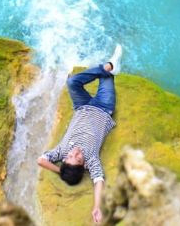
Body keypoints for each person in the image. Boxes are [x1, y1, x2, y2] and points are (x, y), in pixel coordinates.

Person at [37, 45, 123, 224]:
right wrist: (96, 207)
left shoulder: (61, 152)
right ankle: (108, 67)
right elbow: (98, 181)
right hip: (104, 107)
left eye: (70, 155)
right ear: (84, 165)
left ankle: (107, 66)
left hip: (81, 105)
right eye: (77, 157)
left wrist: (60, 170)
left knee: (72, 82)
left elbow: (41, 160)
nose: (74, 152)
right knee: (106, 77)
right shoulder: (91, 159)